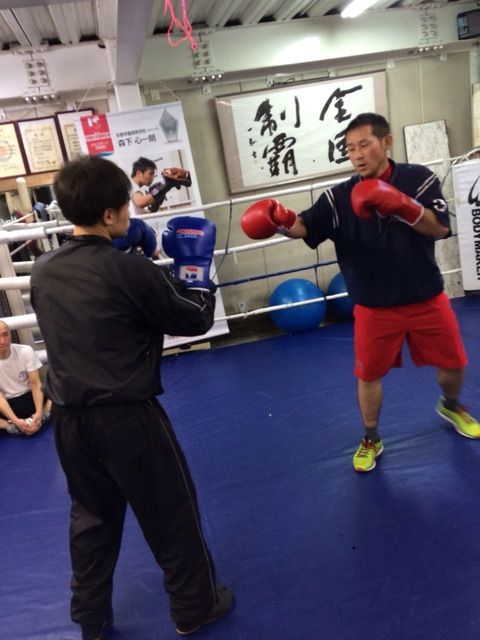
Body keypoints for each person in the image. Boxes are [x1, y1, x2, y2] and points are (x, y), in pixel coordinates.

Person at [30, 155, 233, 640]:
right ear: (108, 214)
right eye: (125, 204)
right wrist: (194, 269)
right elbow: (194, 318)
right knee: (170, 513)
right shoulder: (130, 271)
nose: (130, 211)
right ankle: (194, 607)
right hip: (127, 419)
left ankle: (91, 619)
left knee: (91, 518)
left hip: (70, 422)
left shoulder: (43, 270)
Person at [240, 112, 480, 473]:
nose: (357, 155)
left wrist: (400, 204)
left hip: (425, 297)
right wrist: (281, 221)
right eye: (350, 148)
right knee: (368, 375)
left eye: (364, 145)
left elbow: (439, 228)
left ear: (386, 142)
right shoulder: (338, 198)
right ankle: (371, 437)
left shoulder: (418, 179)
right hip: (373, 305)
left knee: (453, 363)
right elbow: (305, 227)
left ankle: (451, 405)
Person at [0, 320, 50, 436]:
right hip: (7, 405)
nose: (2, 341)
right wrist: (15, 421)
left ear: (10, 334)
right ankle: (9, 426)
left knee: (58, 379)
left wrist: (39, 412)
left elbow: (35, 384)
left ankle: (45, 413)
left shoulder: (25, 351)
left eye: (5, 334)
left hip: (31, 398)